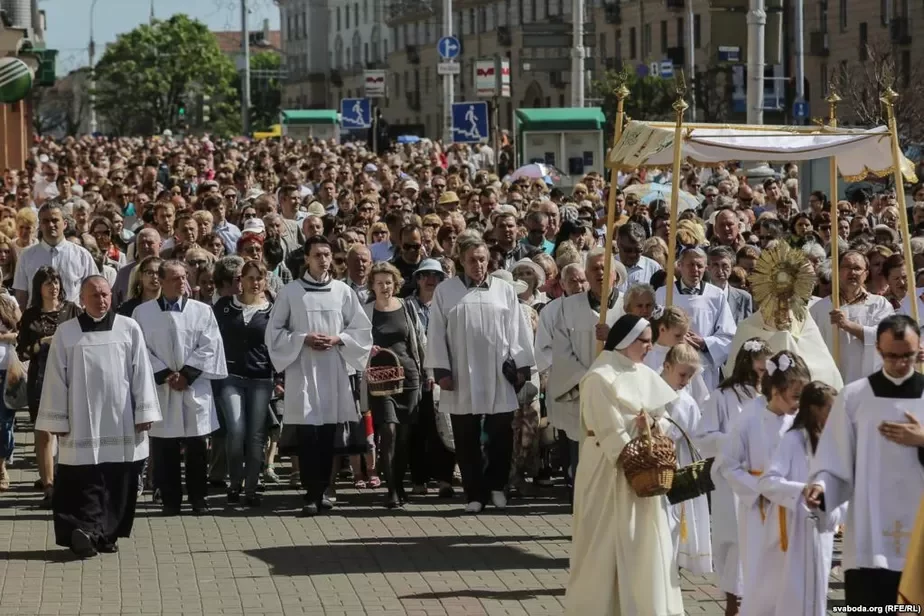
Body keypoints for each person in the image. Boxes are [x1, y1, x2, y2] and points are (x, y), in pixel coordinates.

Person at [565, 314, 683, 616]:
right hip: (607, 472)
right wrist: (637, 432)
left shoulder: (643, 373)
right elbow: (607, 429)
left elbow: (665, 418)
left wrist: (654, 424)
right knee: (602, 544)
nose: (649, 347)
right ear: (626, 341)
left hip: (643, 473)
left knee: (642, 545)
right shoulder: (599, 377)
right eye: (644, 341)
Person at [35, 276, 161, 558]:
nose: (101, 300)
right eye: (94, 295)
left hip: (121, 420)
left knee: (118, 480)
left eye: (105, 294)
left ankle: (107, 534)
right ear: (82, 299)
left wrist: (144, 411)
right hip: (81, 422)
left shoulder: (128, 328)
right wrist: (58, 420)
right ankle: (84, 532)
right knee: (83, 479)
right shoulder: (67, 333)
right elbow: (55, 379)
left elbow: (141, 371)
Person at [806, 314, 924, 607]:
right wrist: (821, 488)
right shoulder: (854, 397)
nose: (900, 363)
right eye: (892, 356)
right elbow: (834, 457)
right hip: (869, 527)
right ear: (879, 351)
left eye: (908, 355)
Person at [425, 234, 536, 513]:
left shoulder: (504, 290)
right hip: (461, 372)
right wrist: (442, 370)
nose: (478, 265)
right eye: (472, 260)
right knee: (466, 437)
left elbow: (517, 330)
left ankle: (497, 485)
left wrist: (521, 367)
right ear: (461, 261)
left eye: (483, 259)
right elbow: (436, 333)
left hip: (497, 373)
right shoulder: (446, 291)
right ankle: (474, 493)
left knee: (501, 433)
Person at [265, 236, 372, 517]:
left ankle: (325, 489)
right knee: (308, 435)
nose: (323, 260)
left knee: (328, 435)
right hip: (303, 370)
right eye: (317, 255)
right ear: (307, 259)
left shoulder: (342, 292)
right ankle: (311, 493)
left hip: (333, 371)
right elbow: (274, 333)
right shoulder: (291, 292)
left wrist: (338, 338)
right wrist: (303, 338)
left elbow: (361, 330)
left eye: (327, 254)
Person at [716, 350, 811, 616]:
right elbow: (729, 464)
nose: (799, 403)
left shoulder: (798, 421)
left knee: (790, 576)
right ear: (776, 391)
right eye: (794, 397)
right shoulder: (748, 419)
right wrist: (761, 489)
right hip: (760, 509)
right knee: (761, 575)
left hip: (792, 508)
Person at [132, 260, 228, 516]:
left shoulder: (202, 311)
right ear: (161, 282)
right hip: (162, 388)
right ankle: (171, 500)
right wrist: (164, 374)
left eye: (184, 277)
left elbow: (210, 345)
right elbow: (139, 349)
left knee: (197, 447)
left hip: (193, 387)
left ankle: (199, 499)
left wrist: (187, 374)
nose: (181, 283)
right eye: (174, 278)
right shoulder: (143, 313)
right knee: (165, 448)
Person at [699, 338, 772, 616]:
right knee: (735, 543)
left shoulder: (770, 398)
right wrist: (734, 440)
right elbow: (703, 437)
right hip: (731, 482)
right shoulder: (722, 396)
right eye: (760, 369)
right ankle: (734, 603)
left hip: (764, 482)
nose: (764, 374)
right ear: (746, 364)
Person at [757, 381, 842, 616]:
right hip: (792, 533)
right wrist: (801, 490)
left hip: (821, 531)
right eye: (829, 409)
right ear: (813, 409)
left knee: (816, 595)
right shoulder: (793, 440)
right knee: (791, 594)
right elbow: (767, 482)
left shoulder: (832, 442)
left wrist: (832, 505)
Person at [546, 248, 622, 487]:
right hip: (580, 390)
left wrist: (614, 338)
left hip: (616, 393)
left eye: (604, 268)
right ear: (586, 275)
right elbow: (561, 351)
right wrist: (587, 379)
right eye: (594, 269)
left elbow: (639, 348)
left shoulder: (627, 305)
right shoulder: (567, 308)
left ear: (615, 276)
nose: (600, 273)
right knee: (582, 452)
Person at [361, 262, 427, 509]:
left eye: (388, 282)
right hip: (380, 381)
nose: (385, 287)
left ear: (395, 283)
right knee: (388, 431)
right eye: (379, 283)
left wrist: (427, 373)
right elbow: (356, 341)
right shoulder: (366, 310)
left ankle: (399, 483)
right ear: (372, 286)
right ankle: (391, 490)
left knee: (404, 438)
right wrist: (369, 350)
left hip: (408, 377)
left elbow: (419, 340)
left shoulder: (407, 307)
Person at [16, 266, 80, 504]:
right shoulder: (31, 315)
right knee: (43, 433)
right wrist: (44, 342)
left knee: (69, 432)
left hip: (70, 379)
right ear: (38, 288)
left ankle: (68, 481)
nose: (53, 287)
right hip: (40, 379)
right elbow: (22, 352)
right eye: (47, 283)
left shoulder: (73, 310)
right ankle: (49, 486)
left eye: (56, 282)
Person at [213, 260, 274, 507]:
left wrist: (278, 377)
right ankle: (234, 483)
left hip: (261, 377)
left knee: (256, 434)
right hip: (231, 376)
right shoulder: (224, 306)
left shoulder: (272, 310)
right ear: (241, 280)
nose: (254, 282)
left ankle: (250, 488)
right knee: (236, 431)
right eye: (249, 277)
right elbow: (212, 339)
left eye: (259, 277)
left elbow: (277, 345)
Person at [660, 343, 712, 576]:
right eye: (682, 374)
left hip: (677, 463)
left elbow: (684, 433)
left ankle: (672, 564)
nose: (687, 381)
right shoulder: (655, 389)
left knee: (674, 519)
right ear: (667, 366)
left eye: (691, 376)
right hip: (655, 464)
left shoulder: (686, 401)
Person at [655, 247, 735, 390]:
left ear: (706, 267)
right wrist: (676, 338)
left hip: (703, 367)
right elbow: (655, 331)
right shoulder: (663, 294)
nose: (695, 270)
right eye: (690, 265)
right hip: (672, 365)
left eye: (699, 265)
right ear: (679, 265)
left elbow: (728, 335)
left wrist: (704, 343)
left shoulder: (716, 296)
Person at [809, 250, 893, 384]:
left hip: (869, 385)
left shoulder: (880, 305)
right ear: (836, 272)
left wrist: (848, 325)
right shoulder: (819, 309)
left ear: (866, 274)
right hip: (832, 386)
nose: (852, 272)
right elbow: (811, 350)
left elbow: (886, 338)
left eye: (857, 268)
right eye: (847, 267)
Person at [13, 202, 98, 308]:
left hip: (72, 320)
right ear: (40, 225)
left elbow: (93, 289)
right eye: (46, 221)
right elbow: (21, 296)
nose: (50, 225)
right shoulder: (26, 256)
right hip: (37, 321)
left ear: (65, 224)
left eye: (55, 220)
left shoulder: (82, 255)